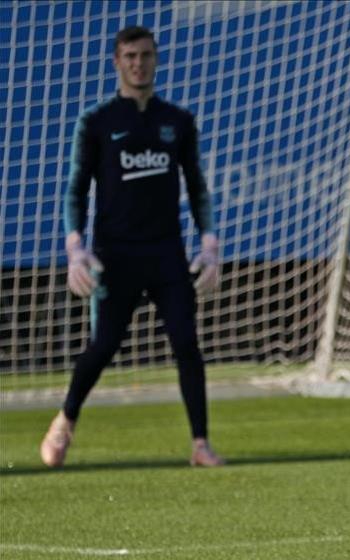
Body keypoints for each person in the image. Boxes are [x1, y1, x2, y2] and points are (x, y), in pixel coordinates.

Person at [39, 26, 223, 468]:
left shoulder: (177, 121)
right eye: (129, 57)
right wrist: (75, 247)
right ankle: (64, 421)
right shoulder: (98, 122)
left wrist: (210, 243)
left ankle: (200, 444)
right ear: (117, 62)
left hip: (166, 255)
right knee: (103, 346)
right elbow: (76, 189)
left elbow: (196, 186)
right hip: (115, 256)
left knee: (186, 342)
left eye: (145, 55)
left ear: (156, 59)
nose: (138, 63)